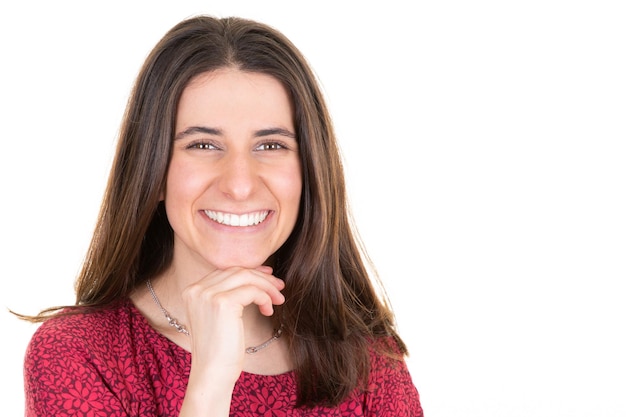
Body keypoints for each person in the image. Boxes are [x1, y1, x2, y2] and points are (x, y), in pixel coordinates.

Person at [19, 15, 424, 416]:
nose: (240, 184)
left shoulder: (371, 365)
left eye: (270, 146)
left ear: (309, 174)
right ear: (154, 171)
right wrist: (209, 386)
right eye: (203, 145)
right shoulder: (77, 355)